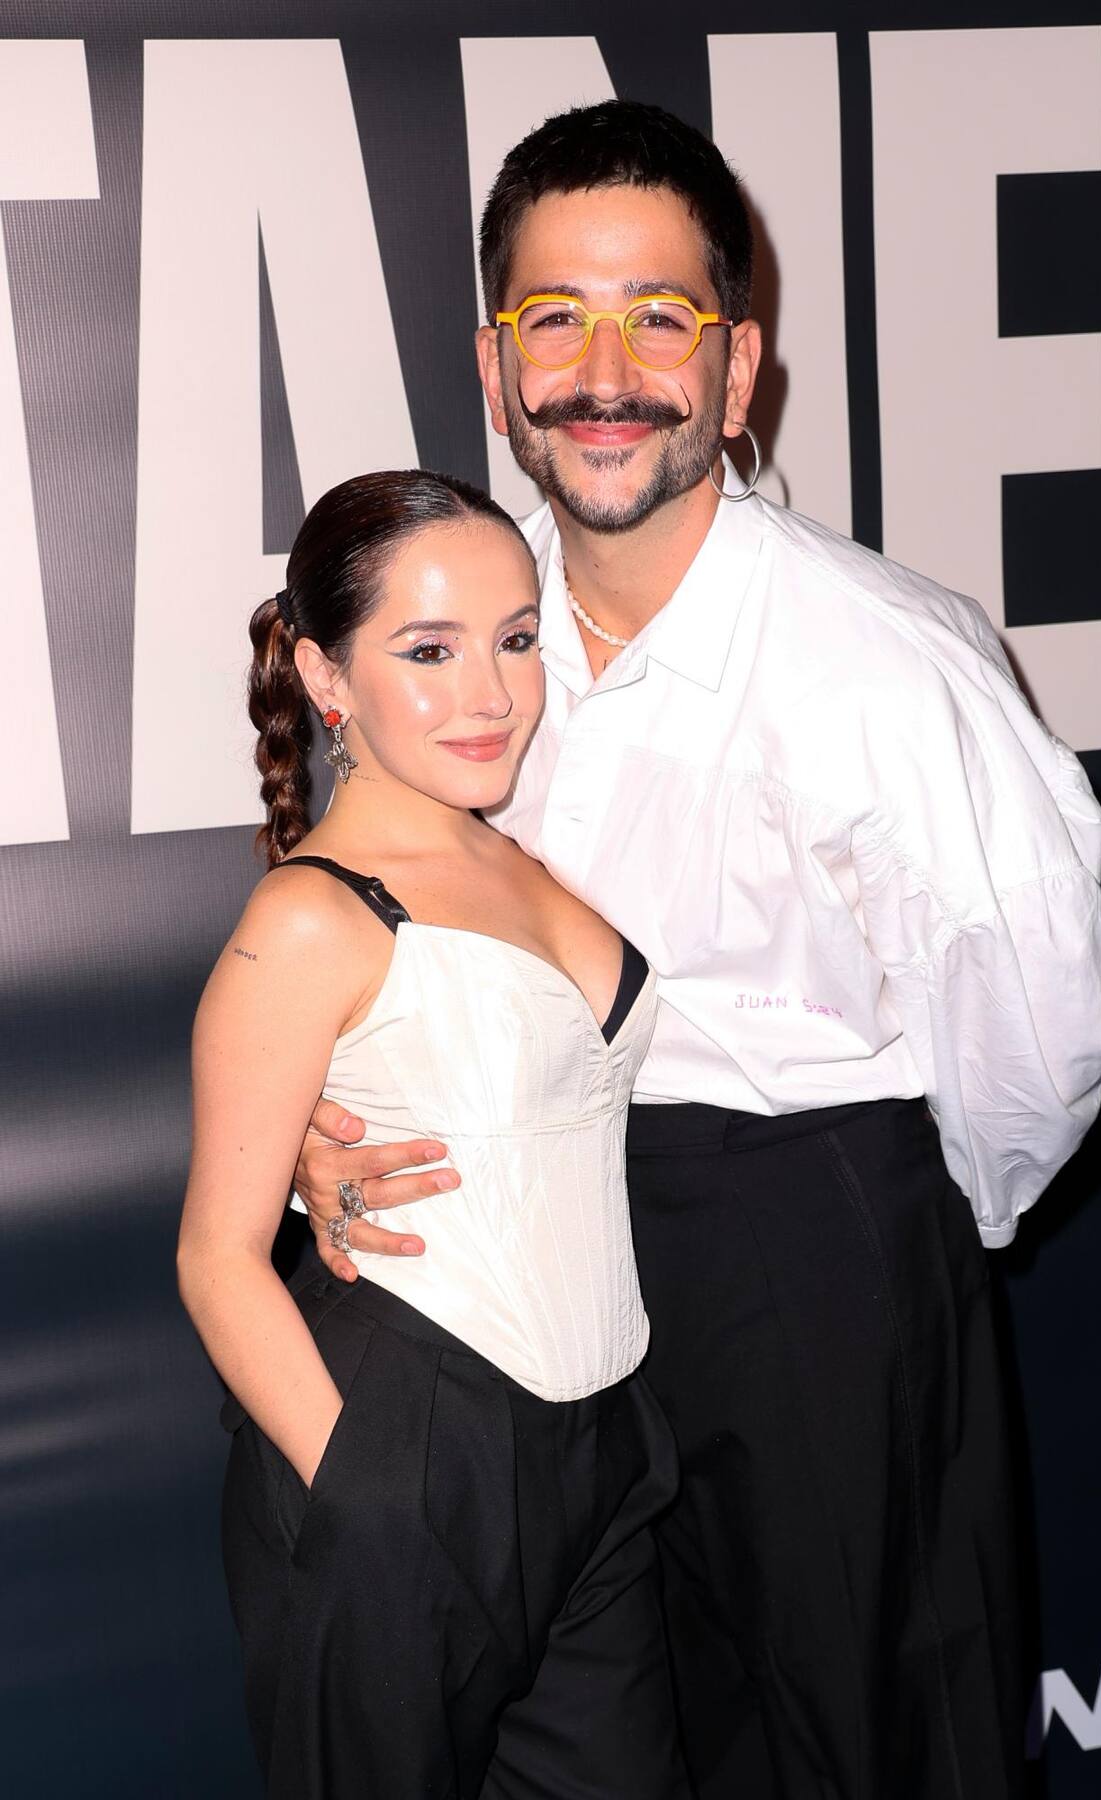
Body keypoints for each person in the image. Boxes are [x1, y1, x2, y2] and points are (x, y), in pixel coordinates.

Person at [292, 104, 1101, 1799]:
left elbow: (1038, 1046)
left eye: (659, 316)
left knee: (865, 1750)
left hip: (806, 1267)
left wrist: (877, 1261)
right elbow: (354, 926)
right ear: (494, 367)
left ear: (738, 369)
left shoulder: (885, 662)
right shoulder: (448, 628)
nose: (606, 373)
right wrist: (326, 1127)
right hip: (515, 1266)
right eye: (554, 318)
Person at [177, 468, 690, 1800]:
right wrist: (366, 1489)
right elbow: (217, 1258)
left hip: (605, 1450)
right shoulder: (308, 917)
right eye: (429, 650)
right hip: (407, 1434)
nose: (492, 692)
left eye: (516, 638)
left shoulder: (525, 851)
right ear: (324, 676)